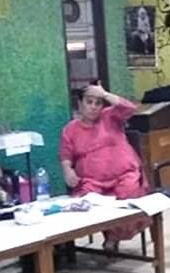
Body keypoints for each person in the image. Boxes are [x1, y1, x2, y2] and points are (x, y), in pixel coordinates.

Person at [60, 84, 149, 252]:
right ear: (80, 104)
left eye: (98, 103)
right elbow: (66, 155)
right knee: (84, 201)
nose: (93, 107)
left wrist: (105, 94)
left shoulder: (110, 116)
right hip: (92, 180)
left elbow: (130, 108)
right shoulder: (70, 129)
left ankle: (114, 236)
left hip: (124, 175)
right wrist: (68, 171)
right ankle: (72, 246)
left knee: (128, 196)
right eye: (89, 102)